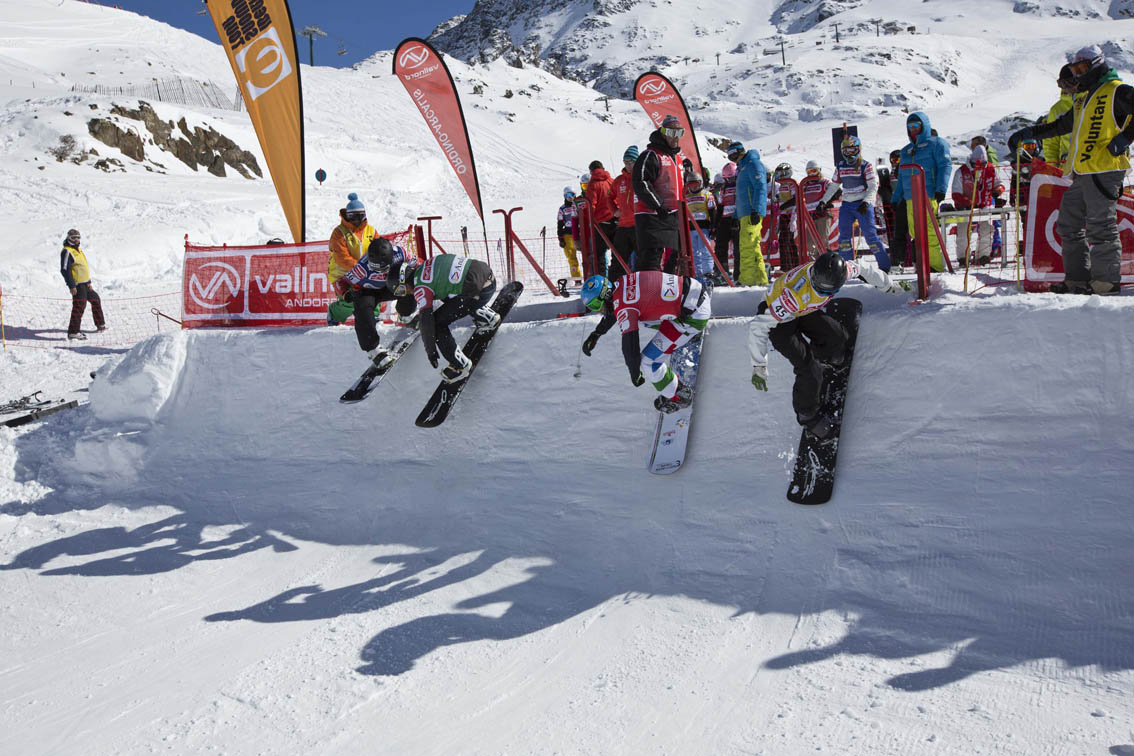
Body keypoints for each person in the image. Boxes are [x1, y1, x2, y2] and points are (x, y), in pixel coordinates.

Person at [1010, 44, 1134, 295]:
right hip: (1083, 171)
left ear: (1097, 65)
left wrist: (1124, 139)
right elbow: (1060, 126)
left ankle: (1106, 282)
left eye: (1082, 68)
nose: (1077, 74)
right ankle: (1077, 280)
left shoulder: (1117, 90)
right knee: (1068, 222)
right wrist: (1029, 133)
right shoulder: (1083, 98)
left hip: (1106, 169)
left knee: (1101, 225)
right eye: (1074, 69)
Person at [748, 252, 910, 438]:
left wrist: (889, 286)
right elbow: (758, 327)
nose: (827, 294)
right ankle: (807, 416)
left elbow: (864, 268)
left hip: (803, 308)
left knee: (838, 337)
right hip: (778, 319)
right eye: (823, 291)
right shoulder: (792, 296)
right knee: (809, 368)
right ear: (815, 279)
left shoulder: (842, 271)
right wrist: (759, 364)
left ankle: (826, 360)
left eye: (831, 291)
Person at [578, 270, 711, 413]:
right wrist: (597, 333)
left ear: (604, 296)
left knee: (648, 362)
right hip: (694, 291)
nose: (598, 311)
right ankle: (686, 335)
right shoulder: (622, 282)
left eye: (596, 305)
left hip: (693, 316)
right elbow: (618, 308)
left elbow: (630, 346)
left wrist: (634, 372)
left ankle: (678, 396)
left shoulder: (624, 307)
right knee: (641, 314)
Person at [387, 254, 499, 382]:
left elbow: (427, 323)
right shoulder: (426, 265)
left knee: (437, 324)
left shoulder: (421, 288)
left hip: (479, 292)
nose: (406, 294)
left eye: (402, 290)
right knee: (448, 293)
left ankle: (460, 366)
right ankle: (485, 316)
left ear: (405, 281)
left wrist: (431, 351)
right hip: (488, 277)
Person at [334, 237, 418, 367]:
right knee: (362, 306)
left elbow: (417, 265)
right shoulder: (361, 268)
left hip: (392, 285)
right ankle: (373, 349)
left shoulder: (401, 253)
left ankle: (406, 314)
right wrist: (345, 293)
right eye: (376, 269)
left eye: (384, 268)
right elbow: (340, 282)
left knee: (408, 281)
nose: (380, 272)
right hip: (369, 291)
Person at [890, 112, 952, 272]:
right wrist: (896, 197)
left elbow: (945, 166)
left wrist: (941, 189)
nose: (913, 130)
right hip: (911, 198)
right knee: (915, 234)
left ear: (924, 126)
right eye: (910, 127)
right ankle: (923, 266)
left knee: (930, 233)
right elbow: (903, 177)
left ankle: (936, 267)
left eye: (917, 126)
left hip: (928, 195)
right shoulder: (906, 151)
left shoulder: (937, 144)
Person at [821, 135, 890, 271]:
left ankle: (884, 267)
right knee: (844, 238)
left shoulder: (866, 165)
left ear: (858, 150)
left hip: (862, 204)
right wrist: (823, 201)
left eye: (852, 151)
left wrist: (866, 202)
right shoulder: (840, 166)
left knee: (871, 236)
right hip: (847, 204)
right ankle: (847, 268)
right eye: (846, 151)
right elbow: (834, 186)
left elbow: (873, 186)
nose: (849, 154)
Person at [632, 115, 686, 272]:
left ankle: (670, 290)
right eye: (672, 133)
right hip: (651, 216)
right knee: (651, 258)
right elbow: (640, 182)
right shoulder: (651, 155)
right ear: (663, 133)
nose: (676, 138)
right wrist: (658, 205)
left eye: (679, 133)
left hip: (672, 215)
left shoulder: (677, 158)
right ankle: (648, 292)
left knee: (675, 257)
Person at [327, 193, 378, 326]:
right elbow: (341, 258)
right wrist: (361, 269)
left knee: (375, 294)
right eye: (352, 216)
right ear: (347, 216)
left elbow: (379, 247)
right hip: (343, 276)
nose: (356, 220)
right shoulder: (339, 232)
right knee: (350, 301)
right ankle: (334, 313)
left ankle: (373, 318)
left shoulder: (370, 231)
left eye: (360, 216)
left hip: (366, 273)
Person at [950, 145, 1004, 266]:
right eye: (977, 165)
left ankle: (983, 255)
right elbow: (955, 192)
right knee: (963, 231)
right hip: (965, 208)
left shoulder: (991, 169)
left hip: (985, 205)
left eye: (983, 164)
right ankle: (963, 257)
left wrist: (998, 190)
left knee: (987, 229)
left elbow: (999, 184)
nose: (979, 168)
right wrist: (966, 202)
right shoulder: (962, 171)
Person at [730, 141, 769, 285]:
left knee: (747, 246)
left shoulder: (754, 165)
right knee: (752, 247)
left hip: (751, 212)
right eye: (729, 156)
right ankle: (760, 279)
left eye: (733, 154)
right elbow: (741, 195)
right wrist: (736, 215)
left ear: (740, 151)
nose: (732, 158)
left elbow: (761, 188)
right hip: (744, 213)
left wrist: (757, 210)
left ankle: (748, 280)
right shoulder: (742, 169)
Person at [59, 228, 106, 340]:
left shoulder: (78, 250)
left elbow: (82, 267)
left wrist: (88, 281)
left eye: (78, 237)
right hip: (77, 285)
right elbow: (65, 270)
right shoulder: (67, 251)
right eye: (73, 238)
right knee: (79, 307)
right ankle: (73, 332)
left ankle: (100, 324)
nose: (76, 240)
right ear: (68, 238)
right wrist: (71, 286)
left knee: (95, 299)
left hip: (85, 283)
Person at [683, 169, 717, 285]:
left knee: (705, 249)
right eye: (690, 185)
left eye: (696, 184)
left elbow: (712, 212)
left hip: (703, 227)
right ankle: (698, 273)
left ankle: (708, 272)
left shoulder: (707, 194)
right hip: (691, 227)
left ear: (700, 183)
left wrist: (713, 227)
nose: (693, 187)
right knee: (694, 251)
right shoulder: (686, 196)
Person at [610, 146, 639, 280]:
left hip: (639, 225)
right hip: (622, 226)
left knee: (642, 261)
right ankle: (614, 290)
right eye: (625, 161)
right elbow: (609, 197)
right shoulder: (618, 180)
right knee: (618, 260)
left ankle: (644, 289)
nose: (627, 164)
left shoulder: (641, 178)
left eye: (631, 161)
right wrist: (614, 210)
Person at [585, 160, 617, 277]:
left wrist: (590, 220)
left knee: (599, 254)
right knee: (618, 252)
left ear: (591, 171)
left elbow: (591, 204)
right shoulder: (611, 181)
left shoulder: (593, 184)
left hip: (601, 224)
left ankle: (603, 280)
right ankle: (617, 277)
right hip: (616, 220)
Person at [1042, 64, 1076, 172]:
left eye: (1069, 82)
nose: (1066, 87)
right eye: (1062, 84)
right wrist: (1053, 169)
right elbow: (1051, 143)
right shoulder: (1057, 110)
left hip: (1092, 165)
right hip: (1066, 168)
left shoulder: (1090, 101)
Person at [713, 160, 741, 281]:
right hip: (725, 220)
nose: (730, 182)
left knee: (738, 248)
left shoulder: (741, 185)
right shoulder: (724, 188)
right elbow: (720, 206)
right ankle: (722, 273)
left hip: (738, 219)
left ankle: (738, 274)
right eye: (727, 179)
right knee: (720, 247)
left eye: (732, 179)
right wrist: (715, 224)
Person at [800, 160, 836, 254]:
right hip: (810, 216)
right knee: (809, 242)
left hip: (822, 215)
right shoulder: (805, 185)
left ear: (819, 170)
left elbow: (836, 191)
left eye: (814, 171)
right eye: (810, 171)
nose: (812, 174)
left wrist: (826, 204)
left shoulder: (824, 182)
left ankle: (826, 260)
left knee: (823, 239)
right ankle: (815, 260)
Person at [556, 187, 583, 282]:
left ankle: (589, 275)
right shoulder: (562, 209)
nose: (570, 197)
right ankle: (577, 279)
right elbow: (559, 224)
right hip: (568, 234)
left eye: (572, 195)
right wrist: (561, 238)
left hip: (580, 233)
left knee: (587, 256)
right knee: (572, 257)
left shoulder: (579, 205)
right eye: (567, 195)